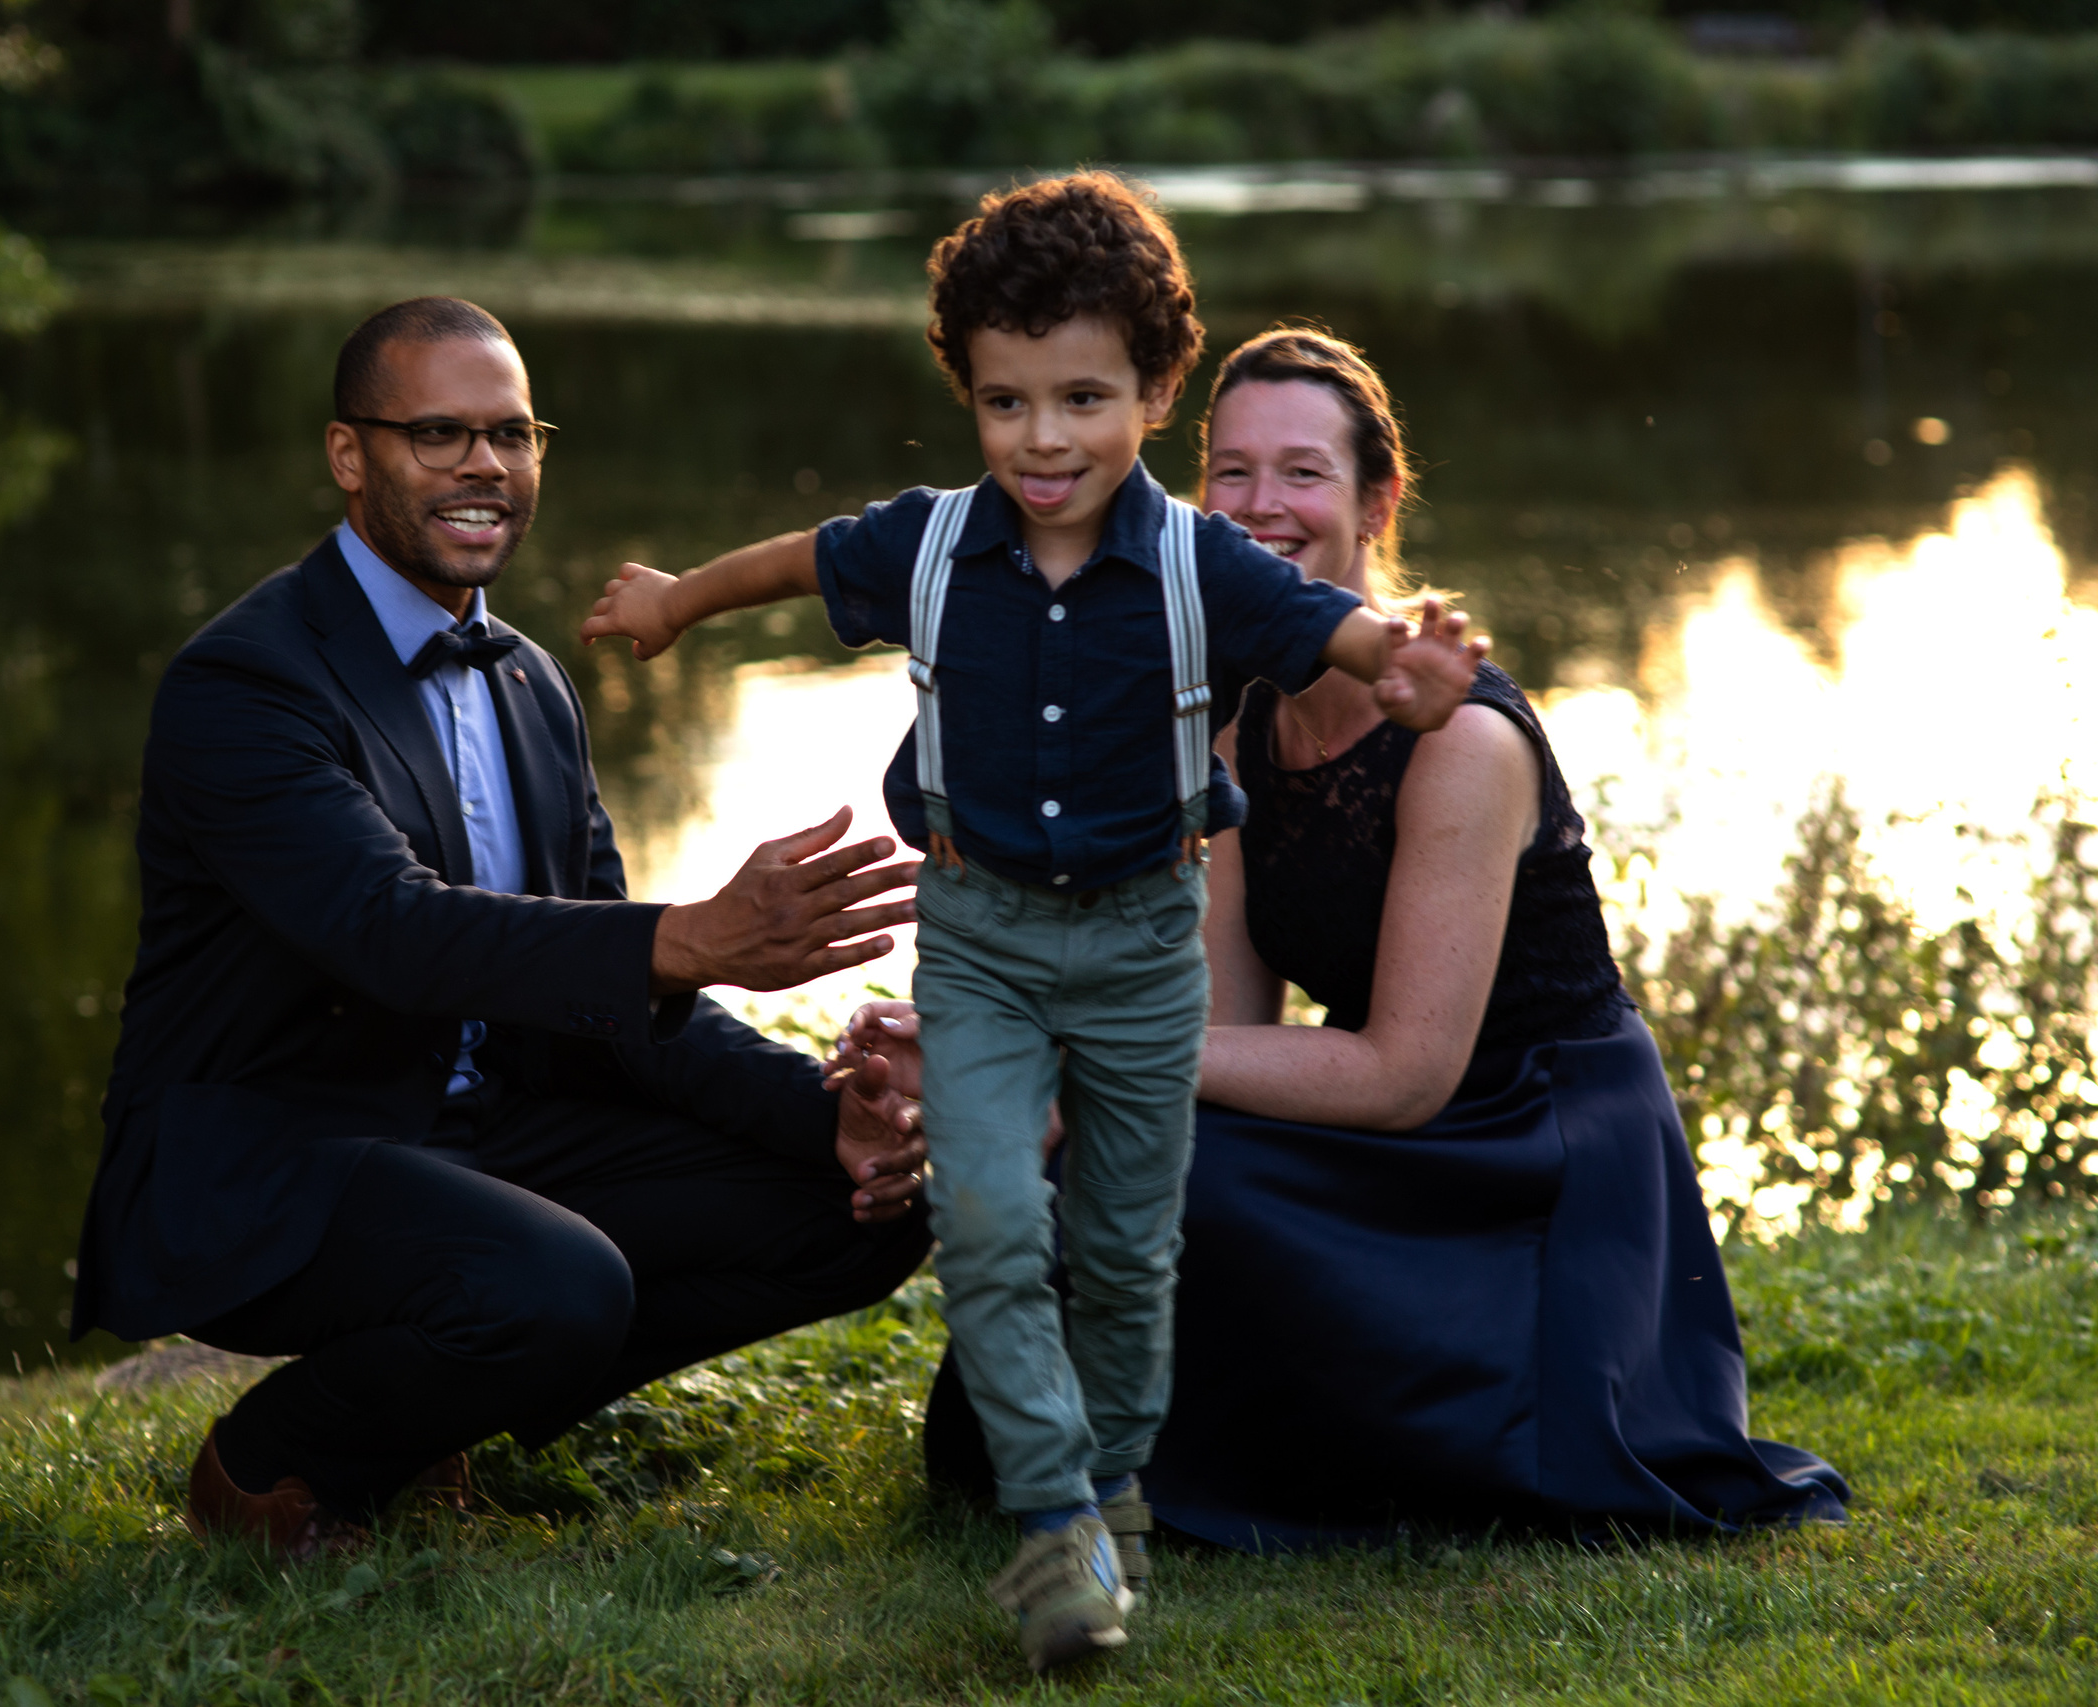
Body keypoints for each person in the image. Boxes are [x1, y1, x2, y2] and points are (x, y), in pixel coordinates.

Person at [579, 177, 1485, 1671]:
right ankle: (1056, 1520)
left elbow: (1340, 631)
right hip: (983, 937)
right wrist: (680, 601)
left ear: (1155, 393)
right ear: (967, 392)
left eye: (1082, 399)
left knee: (1123, 1250)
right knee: (992, 1219)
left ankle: (1112, 1484)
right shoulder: (932, 544)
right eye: (1006, 402)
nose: (1043, 439)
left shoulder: (1202, 562)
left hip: (1142, 947)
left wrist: (1413, 665)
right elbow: (803, 557)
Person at [884, 326, 1849, 1547]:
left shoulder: (1463, 742)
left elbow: (1405, 1072)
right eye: (1231, 471)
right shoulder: (1231, 721)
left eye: (1302, 472)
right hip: (1380, 1122)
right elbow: (1219, 1024)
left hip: (1534, 1144)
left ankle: (1341, 1444)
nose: (1258, 505)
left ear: (1376, 501)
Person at [68, 296, 937, 1561]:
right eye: (439, 434)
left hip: (482, 1129)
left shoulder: (531, 681)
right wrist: (688, 936)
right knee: (554, 1282)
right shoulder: (245, 681)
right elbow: (390, 930)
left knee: (866, 1207)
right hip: (281, 1150)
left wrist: (827, 1116)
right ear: (348, 455)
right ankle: (274, 1465)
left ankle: (431, 1408)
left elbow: (613, 998)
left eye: (513, 435)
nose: (485, 464)